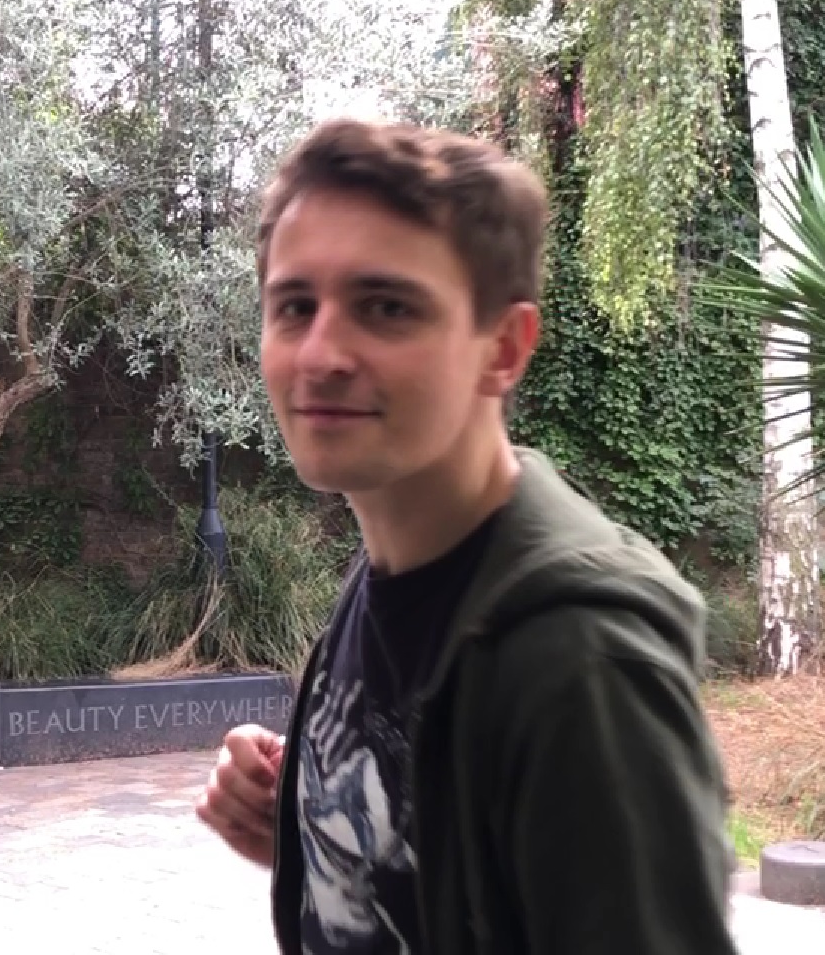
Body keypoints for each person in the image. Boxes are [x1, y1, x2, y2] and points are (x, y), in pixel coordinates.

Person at [194, 119, 738, 955]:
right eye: (295, 305)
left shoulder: (582, 662)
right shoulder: (397, 564)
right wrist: (307, 831)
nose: (322, 352)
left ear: (504, 348)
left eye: (386, 307)